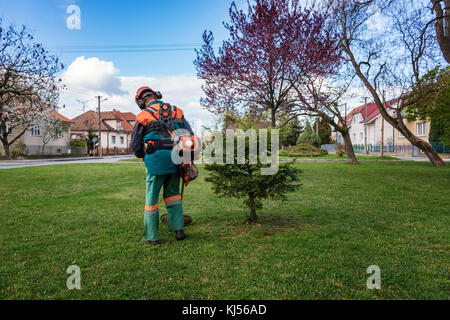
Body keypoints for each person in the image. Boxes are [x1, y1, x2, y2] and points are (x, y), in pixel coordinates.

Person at [131, 86, 194, 245]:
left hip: (155, 161)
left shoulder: (143, 116)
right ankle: (178, 230)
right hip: (175, 159)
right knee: (173, 195)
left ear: (141, 101)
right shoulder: (177, 111)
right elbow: (189, 136)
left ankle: (152, 237)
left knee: (151, 199)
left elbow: (135, 144)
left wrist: (141, 154)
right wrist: (187, 159)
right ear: (156, 96)